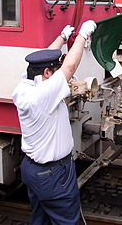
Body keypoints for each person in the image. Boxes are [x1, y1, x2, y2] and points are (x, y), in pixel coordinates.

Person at [12, 20, 97, 225]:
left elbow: (44, 58)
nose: (61, 74)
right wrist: (83, 35)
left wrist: (62, 37)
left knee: (40, 219)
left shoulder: (24, 86)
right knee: (66, 220)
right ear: (47, 75)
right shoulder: (43, 95)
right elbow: (70, 65)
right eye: (55, 71)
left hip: (32, 169)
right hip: (54, 175)